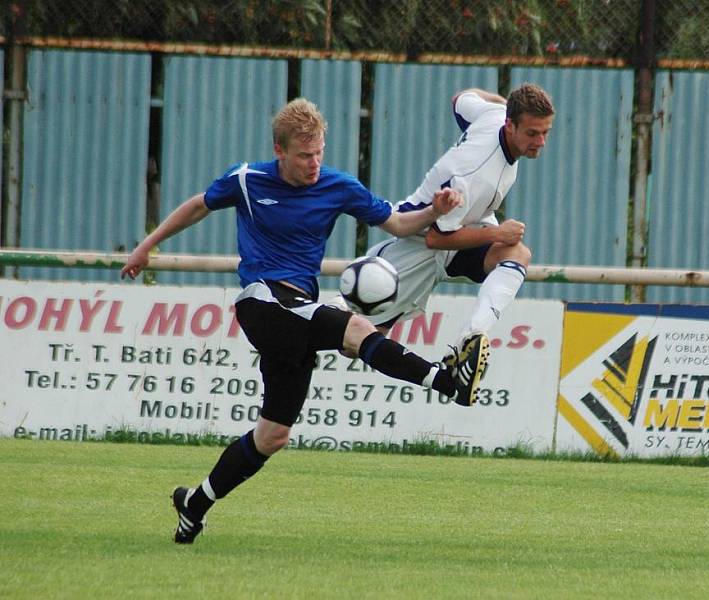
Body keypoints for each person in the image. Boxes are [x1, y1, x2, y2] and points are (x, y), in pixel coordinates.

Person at [120, 98, 490, 544]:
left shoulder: (338, 185)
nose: (314, 163)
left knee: (272, 435)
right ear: (280, 151)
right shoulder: (247, 179)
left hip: (296, 312)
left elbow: (395, 223)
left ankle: (194, 503)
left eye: (319, 153)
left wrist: (434, 210)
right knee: (353, 330)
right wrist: (147, 247)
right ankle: (448, 382)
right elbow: (198, 205)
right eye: (303, 155)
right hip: (263, 302)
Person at [353, 83, 554, 380]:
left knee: (517, 254)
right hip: (419, 239)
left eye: (545, 132)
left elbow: (460, 98)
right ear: (510, 126)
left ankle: (470, 339)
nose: (541, 141)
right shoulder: (473, 174)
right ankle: (298, 330)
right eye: (532, 133)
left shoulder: (496, 114)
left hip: (460, 227)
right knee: (356, 336)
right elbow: (437, 238)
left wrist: (504, 104)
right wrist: (497, 235)